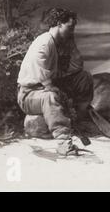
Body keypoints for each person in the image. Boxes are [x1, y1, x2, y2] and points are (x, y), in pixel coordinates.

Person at [17, 8, 93, 140]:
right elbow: (40, 71)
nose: (72, 31)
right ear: (59, 23)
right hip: (29, 94)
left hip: (48, 85)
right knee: (50, 97)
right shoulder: (44, 42)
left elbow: (76, 66)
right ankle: (62, 136)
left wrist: (70, 47)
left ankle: (81, 119)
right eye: (70, 27)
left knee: (84, 77)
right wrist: (54, 88)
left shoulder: (62, 41)